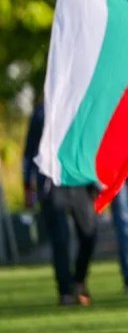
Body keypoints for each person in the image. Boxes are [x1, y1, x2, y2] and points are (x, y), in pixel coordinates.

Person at [23, 103, 100, 305]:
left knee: (89, 233)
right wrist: (27, 185)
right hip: (52, 182)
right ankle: (65, 290)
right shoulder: (42, 112)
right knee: (61, 238)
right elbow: (29, 151)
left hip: (79, 181)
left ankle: (79, 280)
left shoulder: (81, 105)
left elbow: (91, 144)